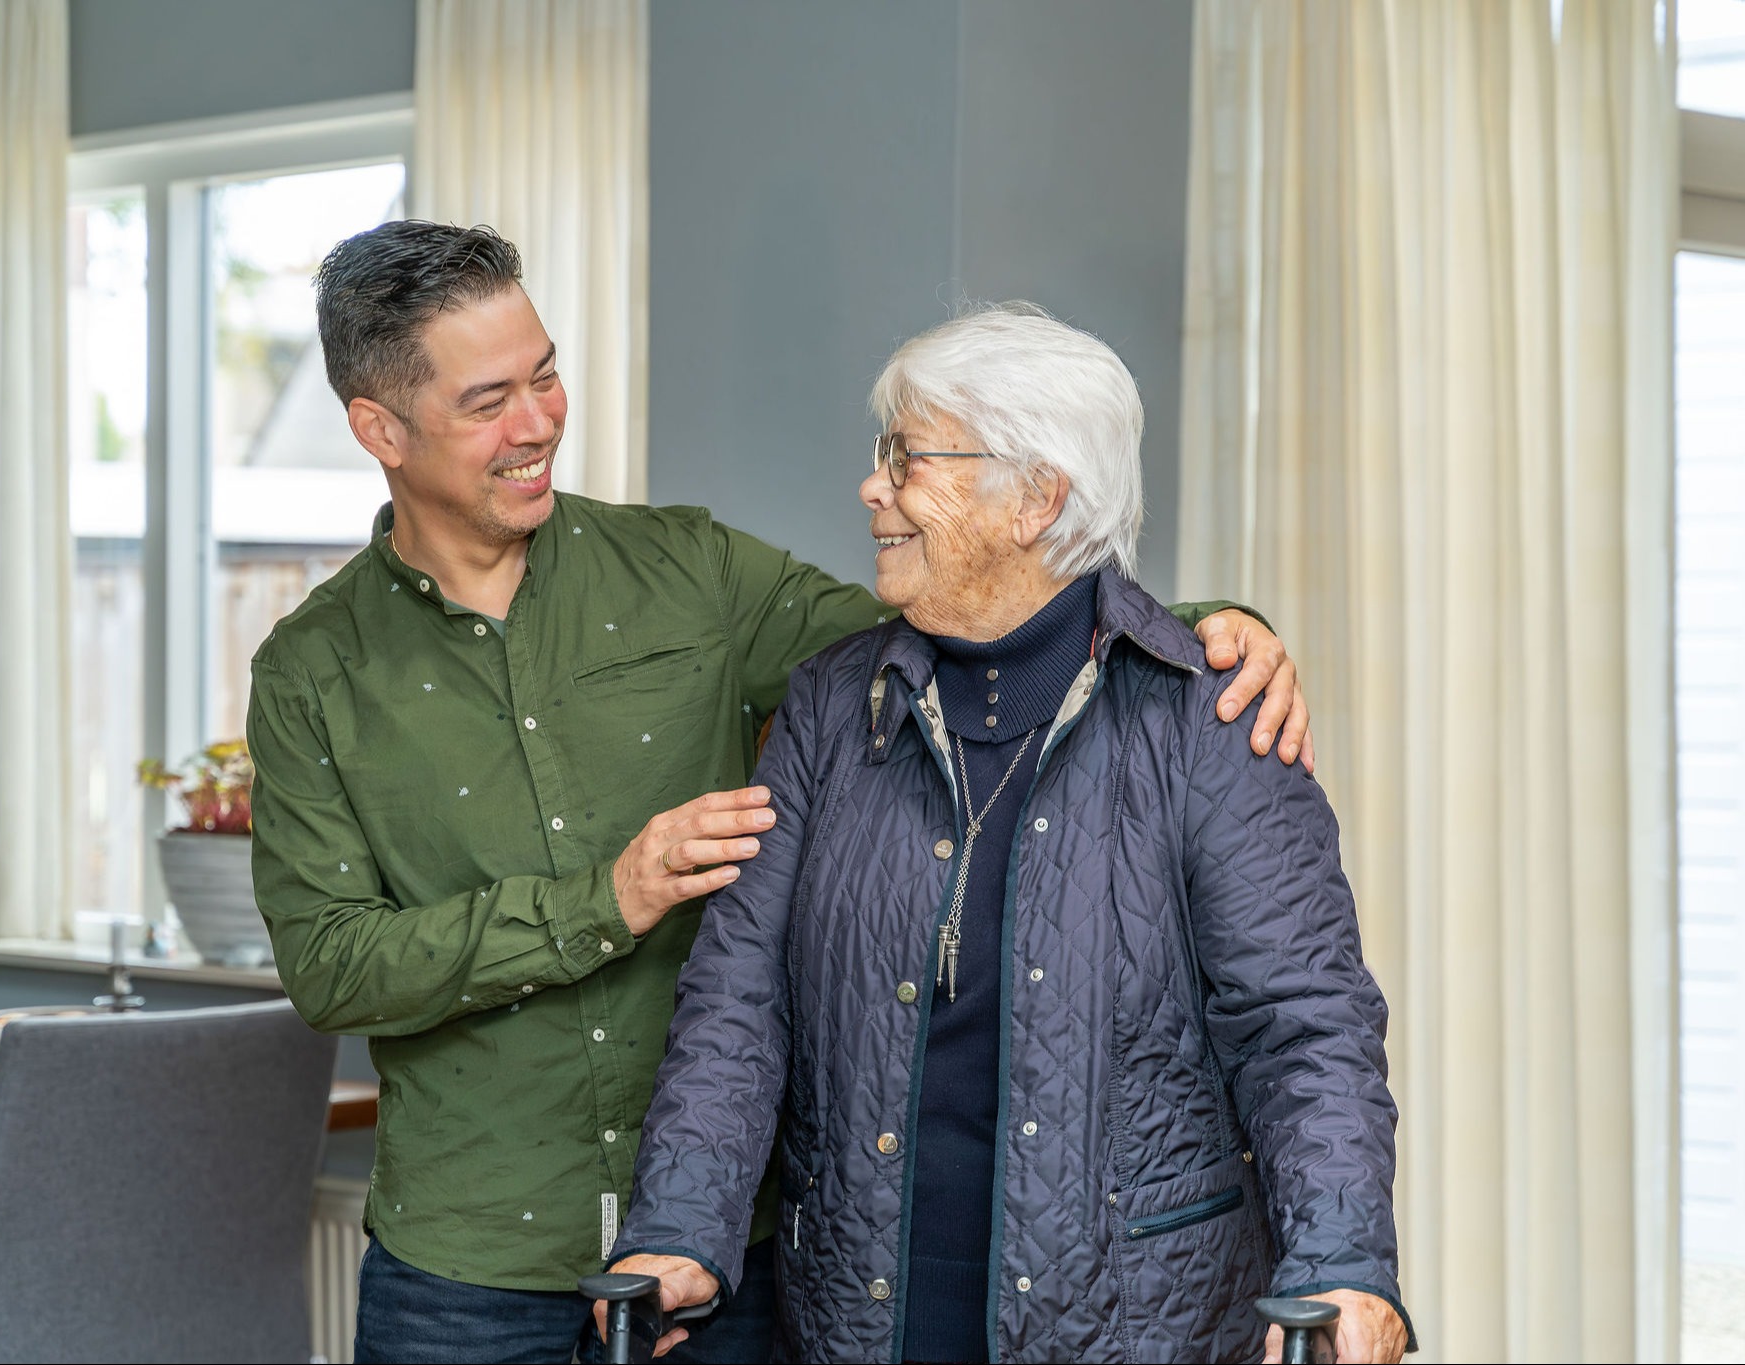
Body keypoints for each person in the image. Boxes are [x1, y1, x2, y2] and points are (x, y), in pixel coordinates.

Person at [248, 223, 1315, 1365]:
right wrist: (602, 900)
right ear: (378, 429)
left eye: (547, 375)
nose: (538, 423)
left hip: (727, 1258)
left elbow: (970, 623)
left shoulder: (689, 573)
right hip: (466, 1272)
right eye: (488, 400)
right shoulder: (312, 671)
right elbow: (331, 966)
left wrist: (1199, 628)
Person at [603, 304, 1412, 1364]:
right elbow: (738, 1001)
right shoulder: (828, 707)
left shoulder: (1208, 718)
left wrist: (1341, 1264)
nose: (870, 488)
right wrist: (676, 1231)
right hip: (859, 1315)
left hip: (1133, 1320)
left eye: (906, 459)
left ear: (1037, 497)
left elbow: (1303, 1025)